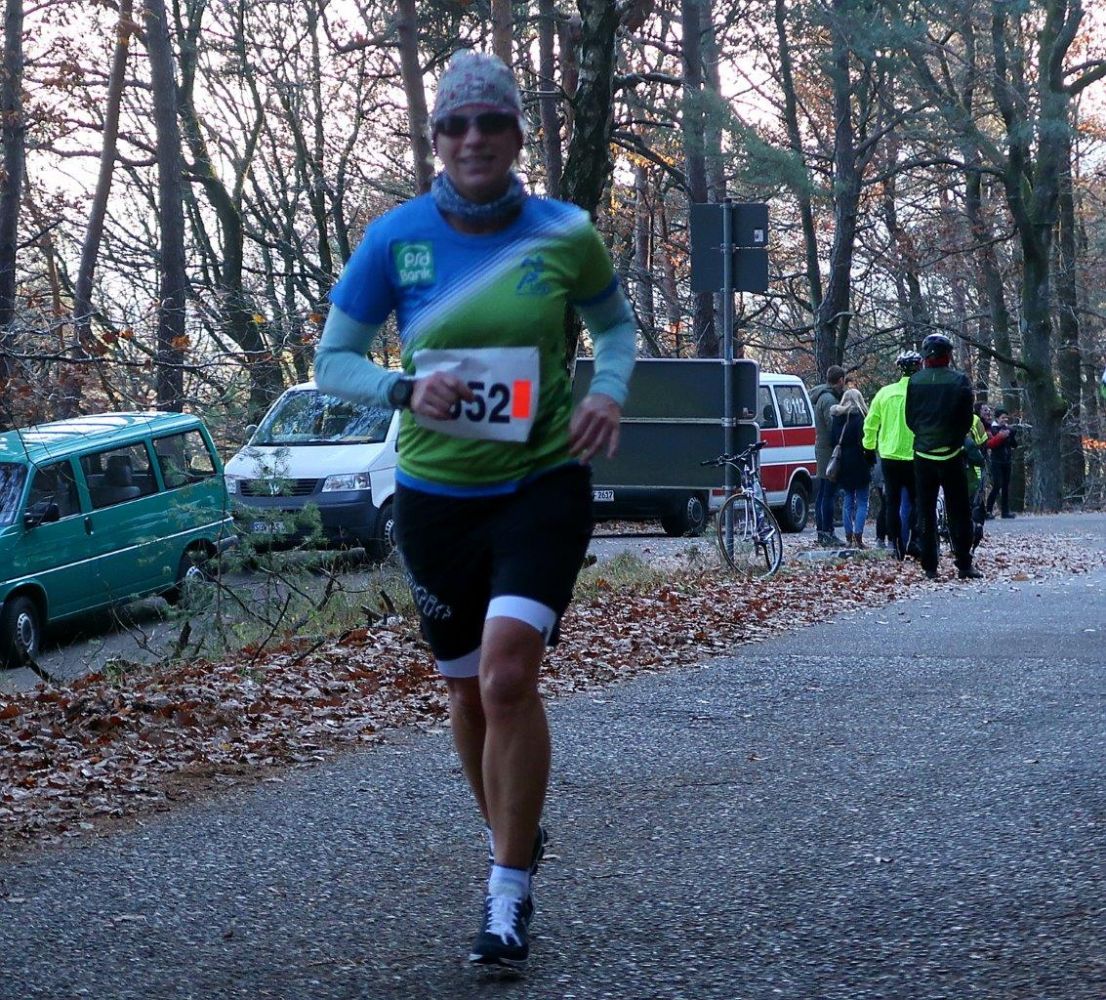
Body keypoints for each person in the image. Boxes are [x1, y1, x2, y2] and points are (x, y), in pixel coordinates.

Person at [313, 49, 637, 968]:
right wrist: (403, 388)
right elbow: (332, 360)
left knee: (505, 677)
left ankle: (506, 892)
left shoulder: (564, 231)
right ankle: (513, 831)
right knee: (464, 689)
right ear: (437, 139)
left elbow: (615, 327)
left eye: (491, 122)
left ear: (517, 135)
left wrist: (607, 392)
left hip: (542, 483)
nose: (473, 138)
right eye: (455, 124)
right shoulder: (397, 238)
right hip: (434, 497)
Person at [904, 334, 981, 580]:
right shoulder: (960, 381)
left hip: (923, 454)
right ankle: (964, 563)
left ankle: (930, 566)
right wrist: (955, 438)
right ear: (948, 356)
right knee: (959, 509)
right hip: (952, 453)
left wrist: (925, 435)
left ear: (926, 357)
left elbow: (910, 418)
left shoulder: (915, 381)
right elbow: (966, 419)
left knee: (925, 510)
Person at [862, 350, 921, 560]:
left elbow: (870, 424)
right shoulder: (922, 393)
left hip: (889, 456)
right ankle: (915, 539)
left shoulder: (884, 393)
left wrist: (869, 448)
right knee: (918, 501)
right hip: (915, 455)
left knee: (892, 503)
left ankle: (896, 545)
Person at [829, 387, 872, 547]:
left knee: (848, 499)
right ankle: (858, 536)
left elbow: (832, 440)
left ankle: (848, 536)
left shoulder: (837, 418)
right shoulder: (861, 418)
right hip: (860, 461)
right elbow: (865, 442)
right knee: (862, 500)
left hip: (844, 462)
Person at [811, 365, 847, 545]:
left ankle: (822, 532)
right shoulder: (829, 400)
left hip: (822, 449)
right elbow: (834, 426)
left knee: (823, 493)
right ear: (840, 380)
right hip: (828, 451)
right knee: (828, 494)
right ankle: (827, 532)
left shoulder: (822, 396)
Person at [985, 407, 1017, 519]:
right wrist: (1002, 436)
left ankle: (1005, 511)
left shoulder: (1007, 429)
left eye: (1006, 418)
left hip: (1007, 460)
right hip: (996, 461)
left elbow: (1014, 445)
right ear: (997, 418)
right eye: (1003, 418)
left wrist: (1011, 434)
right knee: (997, 485)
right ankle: (988, 510)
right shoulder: (992, 429)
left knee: (1006, 486)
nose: (1005, 420)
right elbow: (991, 444)